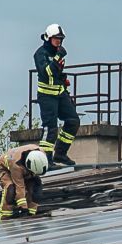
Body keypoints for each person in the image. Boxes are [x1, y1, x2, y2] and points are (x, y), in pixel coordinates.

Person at [34, 23, 79, 166]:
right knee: (50, 128)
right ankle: (45, 159)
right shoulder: (40, 54)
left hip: (60, 94)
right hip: (47, 97)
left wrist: (65, 88)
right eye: (56, 38)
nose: (58, 41)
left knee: (73, 121)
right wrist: (58, 57)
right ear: (48, 38)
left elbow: (56, 74)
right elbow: (46, 72)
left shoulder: (57, 53)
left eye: (60, 39)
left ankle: (60, 153)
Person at [0, 144, 49, 219]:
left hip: (22, 166)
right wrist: (23, 207)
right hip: (3, 168)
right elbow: (19, 187)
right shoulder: (16, 165)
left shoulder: (41, 153)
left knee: (36, 183)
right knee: (11, 188)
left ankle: (32, 211)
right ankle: (5, 216)